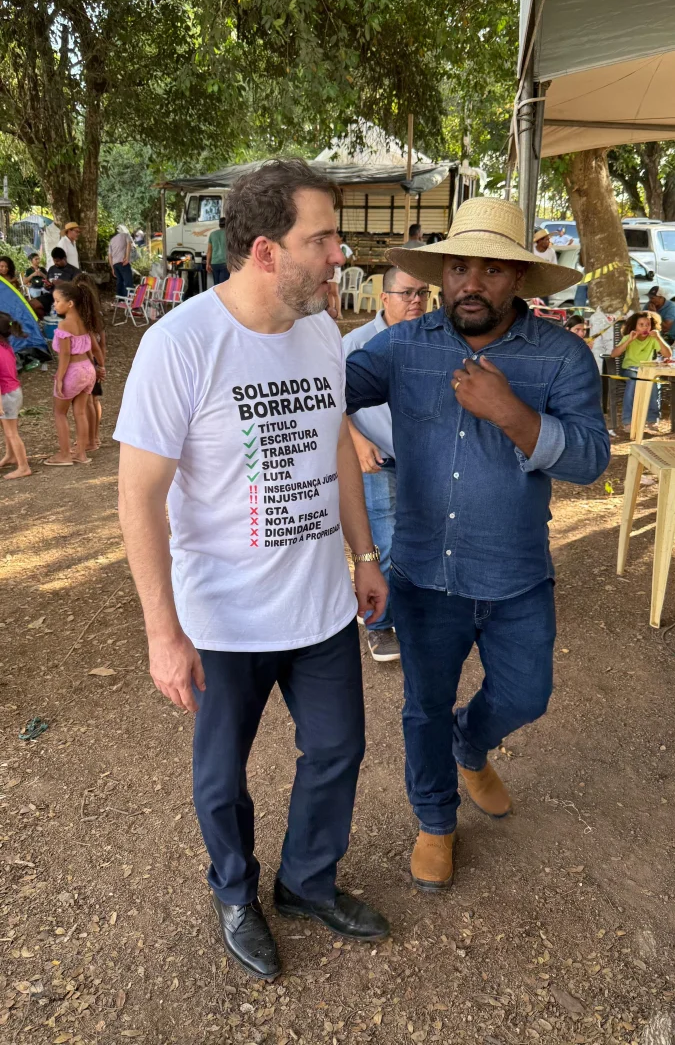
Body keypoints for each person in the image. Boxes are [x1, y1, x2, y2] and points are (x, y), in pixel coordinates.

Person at [114, 158, 390, 981]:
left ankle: (305, 882)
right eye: (324, 237)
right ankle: (235, 892)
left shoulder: (318, 332)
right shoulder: (180, 345)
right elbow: (138, 498)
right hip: (223, 618)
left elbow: (335, 444)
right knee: (221, 775)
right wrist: (163, 633)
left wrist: (363, 553)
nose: (340, 254)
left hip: (318, 607)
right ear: (266, 251)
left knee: (338, 748)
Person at [346, 196, 610, 892]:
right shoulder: (404, 344)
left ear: (517, 280)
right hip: (424, 576)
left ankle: (474, 741)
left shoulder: (561, 356)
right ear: (440, 275)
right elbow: (330, 388)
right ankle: (434, 822)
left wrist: (514, 416)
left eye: (490, 270)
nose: (470, 282)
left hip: (515, 574)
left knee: (527, 694)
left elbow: (588, 459)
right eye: (457, 267)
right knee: (422, 706)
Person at [343, 267, 430, 663]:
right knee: (385, 542)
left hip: (423, 459)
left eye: (423, 293)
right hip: (375, 457)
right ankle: (379, 626)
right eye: (406, 293)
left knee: (421, 538)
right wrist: (357, 441)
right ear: (384, 297)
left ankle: (412, 613)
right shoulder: (356, 344)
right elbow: (327, 404)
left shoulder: (434, 340)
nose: (416, 300)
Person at [44, 280, 102, 466]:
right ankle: (81, 453)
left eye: (57, 301)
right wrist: (98, 368)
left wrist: (59, 379)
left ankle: (64, 455)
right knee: (80, 413)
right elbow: (90, 349)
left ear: (70, 304)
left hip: (73, 371)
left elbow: (65, 355)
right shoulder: (85, 321)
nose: (54, 304)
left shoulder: (64, 326)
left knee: (60, 413)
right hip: (88, 370)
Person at [610, 310, 671, 432]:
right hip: (629, 369)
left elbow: (667, 354)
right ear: (635, 326)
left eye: (647, 324)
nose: (644, 327)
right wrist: (629, 341)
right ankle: (628, 421)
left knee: (654, 382)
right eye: (641, 325)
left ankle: (652, 419)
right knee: (634, 381)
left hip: (647, 371)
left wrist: (658, 338)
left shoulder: (653, 338)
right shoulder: (629, 338)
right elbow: (614, 354)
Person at [75, 274, 106, 451]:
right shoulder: (96, 314)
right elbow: (102, 344)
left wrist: (98, 366)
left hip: (87, 363)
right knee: (93, 400)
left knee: (88, 402)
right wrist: (102, 364)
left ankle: (91, 439)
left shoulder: (82, 320)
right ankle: (93, 436)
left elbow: (93, 346)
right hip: (95, 361)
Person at [0, 312, 31, 480]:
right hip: (14, 392)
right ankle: (10, 456)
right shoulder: (6, 345)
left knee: (12, 432)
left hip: (6, 396)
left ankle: (23, 466)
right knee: (8, 429)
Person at [109, 225, 134, 298]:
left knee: (120, 281)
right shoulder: (126, 235)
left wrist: (112, 268)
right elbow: (129, 244)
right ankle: (130, 300)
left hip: (115, 264)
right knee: (128, 281)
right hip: (123, 262)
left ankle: (120, 299)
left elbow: (110, 255)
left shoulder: (112, 240)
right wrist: (127, 257)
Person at [206, 216, 229, 285]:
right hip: (225, 263)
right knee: (223, 285)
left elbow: (209, 251)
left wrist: (207, 264)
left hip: (214, 263)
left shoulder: (212, 234)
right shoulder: (229, 234)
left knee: (216, 284)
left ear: (219, 224)